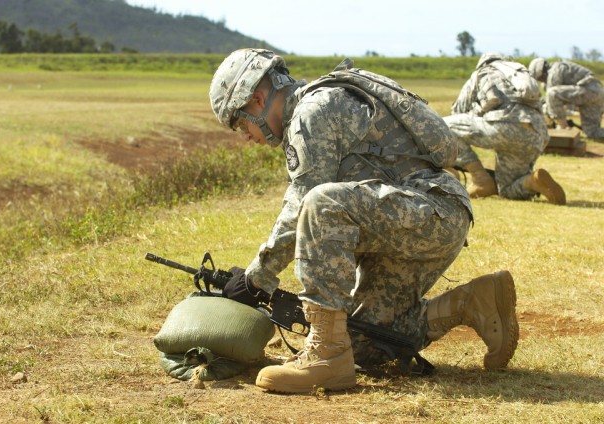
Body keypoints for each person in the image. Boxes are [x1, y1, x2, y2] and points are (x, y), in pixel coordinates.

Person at [209, 48, 519, 393]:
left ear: (257, 99)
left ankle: (326, 355)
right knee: (360, 340)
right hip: (418, 219)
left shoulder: (313, 112)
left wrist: (257, 278)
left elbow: (303, 207)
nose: (247, 137)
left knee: (320, 202)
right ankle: (472, 301)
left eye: (241, 124)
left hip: (432, 213)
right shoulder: (315, 108)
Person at [443, 53, 566, 205]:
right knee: (507, 189)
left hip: (506, 126)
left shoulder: (482, 72)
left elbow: (458, 111)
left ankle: (480, 178)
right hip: (537, 134)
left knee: (444, 127)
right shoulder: (521, 73)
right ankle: (533, 181)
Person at [529, 57, 604, 139]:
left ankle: (563, 127)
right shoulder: (560, 68)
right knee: (592, 132)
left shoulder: (554, 70)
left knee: (552, 94)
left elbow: (551, 97)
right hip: (597, 94)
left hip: (587, 91)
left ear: (542, 72)